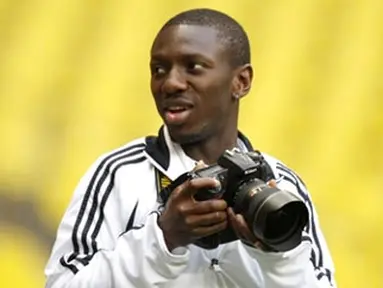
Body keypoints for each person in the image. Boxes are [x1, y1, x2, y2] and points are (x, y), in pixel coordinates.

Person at [45, 8, 336, 288]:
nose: (170, 83)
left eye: (193, 67)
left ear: (241, 81)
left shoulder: (283, 185)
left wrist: (278, 255)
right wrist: (164, 237)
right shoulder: (118, 174)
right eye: (159, 69)